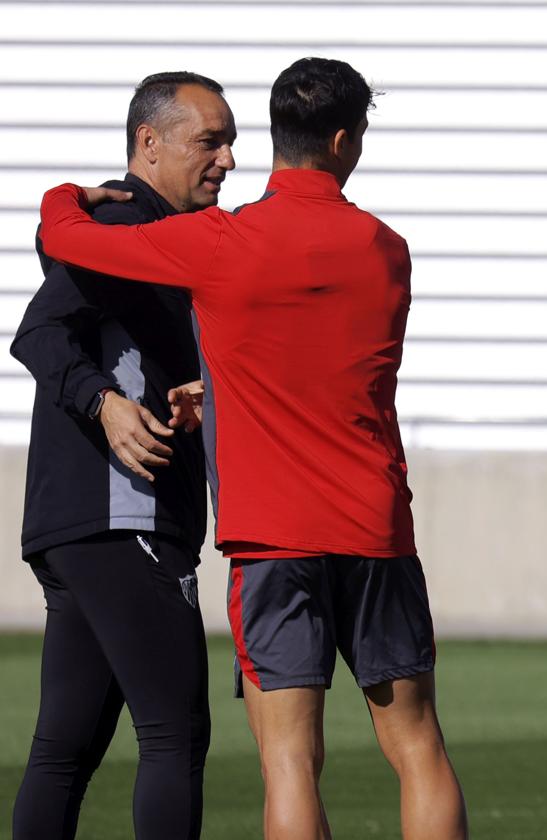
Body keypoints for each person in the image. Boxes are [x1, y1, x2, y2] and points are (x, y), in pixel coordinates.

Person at [36, 57, 468, 840]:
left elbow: (65, 236)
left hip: (272, 540)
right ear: (343, 140)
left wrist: (64, 195)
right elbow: (332, 362)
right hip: (375, 529)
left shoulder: (219, 241)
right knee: (417, 747)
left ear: (275, 136)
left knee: (290, 763)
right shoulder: (388, 250)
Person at [9, 71, 235, 840]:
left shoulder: (152, 229)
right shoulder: (126, 223)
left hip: (84, 524)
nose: (229, 159)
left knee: (64, 749)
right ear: (150, 143)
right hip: (119, 516)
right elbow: (39, 331)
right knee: (176, 736)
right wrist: (103, 401)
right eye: (211, 140)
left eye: (232, 141)